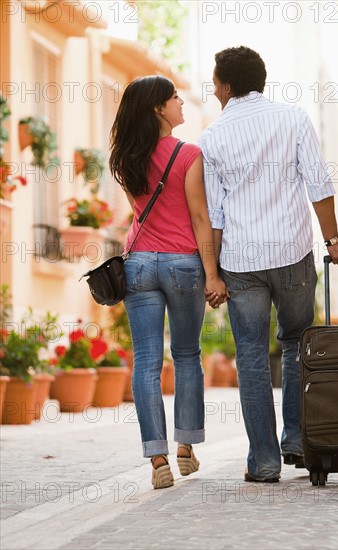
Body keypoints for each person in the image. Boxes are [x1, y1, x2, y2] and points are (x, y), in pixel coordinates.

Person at [199, 46, 338, 482]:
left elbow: (216, 215)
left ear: (227, 85)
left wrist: (213, 274)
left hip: (241, 261)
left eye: (214, 83)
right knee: (298, 341)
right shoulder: (293, 119)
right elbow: (318, 185)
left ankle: (264, 461)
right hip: (292, 252)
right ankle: (298, 440)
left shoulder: (211, 139)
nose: (213, 90)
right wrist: (334, 240)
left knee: (249, 354)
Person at [109, 76, 228, 490]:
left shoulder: (126, 157)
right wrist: (213, 273)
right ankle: (185, 447)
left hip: (139, 264)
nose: (181, 103)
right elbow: (199, 217)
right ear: (159, 108)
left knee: (145, 361)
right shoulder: (188, 153)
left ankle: (157, 458)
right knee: (187, 354)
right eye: (175, 98)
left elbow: (140, 214)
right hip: (183, 265)